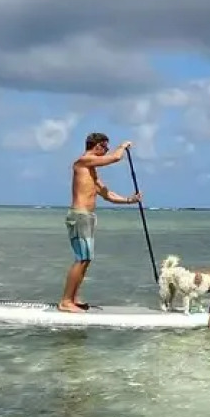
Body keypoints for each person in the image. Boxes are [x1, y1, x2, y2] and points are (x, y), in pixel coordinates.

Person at [59, 132, 140, 313]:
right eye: (105, 147)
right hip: (79, 215)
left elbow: (107, 194)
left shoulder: (91, 172)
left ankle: (73, 297)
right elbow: (116, 158)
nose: (107, 150)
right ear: (97, 146)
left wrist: (130, 200)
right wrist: (122, 147)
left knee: (86, 259)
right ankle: (65, 301)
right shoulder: (83, 161)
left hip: (87, 217)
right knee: (81, 259)